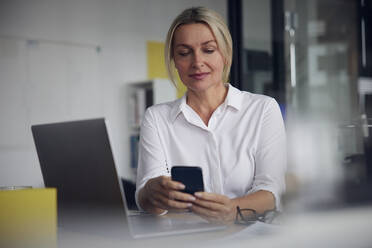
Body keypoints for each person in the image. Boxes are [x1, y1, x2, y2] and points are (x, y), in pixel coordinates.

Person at [135, 6, 286, 224]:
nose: (197, 62)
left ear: (225, 54)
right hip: (184, 240)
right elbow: (146, 197)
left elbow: (272, 191)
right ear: (174, 61)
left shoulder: (262, 109)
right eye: (184, 53)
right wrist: (152, 192)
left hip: (249, 237)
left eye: (208, 50)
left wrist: (232, 209)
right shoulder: (157, 118)